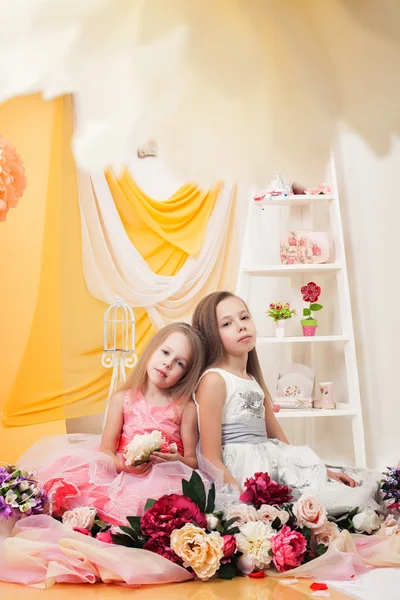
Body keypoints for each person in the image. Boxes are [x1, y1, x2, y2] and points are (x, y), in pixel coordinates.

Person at [193, 291, 380, 514]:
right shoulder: (215, 380)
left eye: (244, 318)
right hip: (244, 474)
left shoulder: (252, 380)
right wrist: (239, 503)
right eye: (227, 323)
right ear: (210, 335)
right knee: (328, 508)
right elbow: (210, 456)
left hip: (273, 463)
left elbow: (283, 444)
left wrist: (321, 471)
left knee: (352, 491)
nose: (241, 326)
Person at [18, 322, 205, 525]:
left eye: (180, 363)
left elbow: (193, 461)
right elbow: (105, 450)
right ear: (152, 350)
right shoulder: (124, 398)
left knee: (154, 517)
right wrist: (125, 466)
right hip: (122, 472)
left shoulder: (184, 408)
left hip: (164, 479)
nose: (168, 363)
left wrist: (175, 460)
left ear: (186, 374)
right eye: (165, 352)